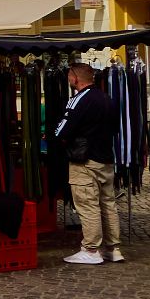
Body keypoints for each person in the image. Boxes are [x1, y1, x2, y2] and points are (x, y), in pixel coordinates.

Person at [57, 62, 123, 264]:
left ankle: (91, 249)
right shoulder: (106, 98)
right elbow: (115, 128)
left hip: (85, 160)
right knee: (108, 204)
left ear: (75, 78)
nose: (69, 80)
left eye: (69, 76)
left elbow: (62, 130)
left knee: (88, 205)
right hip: (105, 158)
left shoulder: (78, 100)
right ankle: (113, 248)